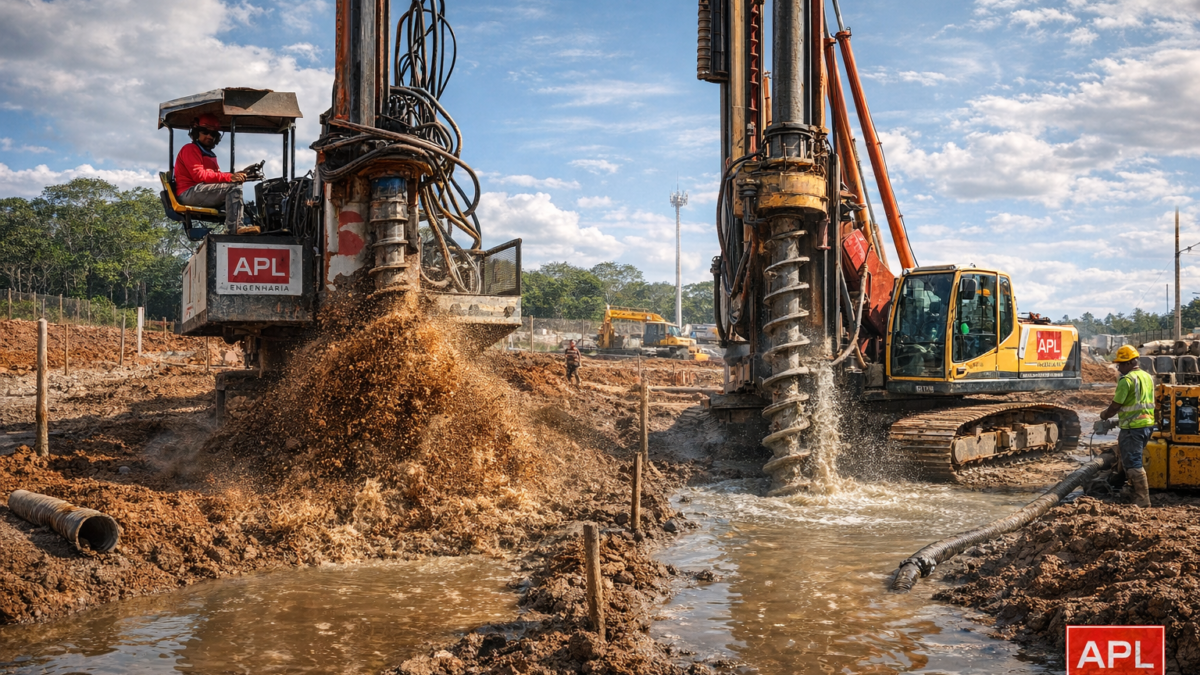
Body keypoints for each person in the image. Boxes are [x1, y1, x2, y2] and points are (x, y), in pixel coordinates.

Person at [173, 113, 255, 234]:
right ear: (196, 133)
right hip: (188, 192)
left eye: (213, 134)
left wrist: (238, 176)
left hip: (200, 191)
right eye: (205, 132)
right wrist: (230, 177)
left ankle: (251, 225)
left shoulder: (208, 153)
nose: (209, 136)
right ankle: (234, 229)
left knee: (244, 201)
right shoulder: (190, 149)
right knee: (233, 189)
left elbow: (216, 177)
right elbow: (199, 176)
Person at [1099, 345, 1154, 508]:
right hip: (1146, 426)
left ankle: (1142, 499)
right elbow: (1140, 405)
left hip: (1133, 428)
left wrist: (1104, 416)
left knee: (1133, 462)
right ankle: (1131, 490)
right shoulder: (1147, 377)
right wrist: (1117, 422)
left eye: (1121, 364)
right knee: (1130, 458)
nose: (1119, 368)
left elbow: (1115, 406)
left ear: (1130, 363)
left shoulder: (1127, 380)